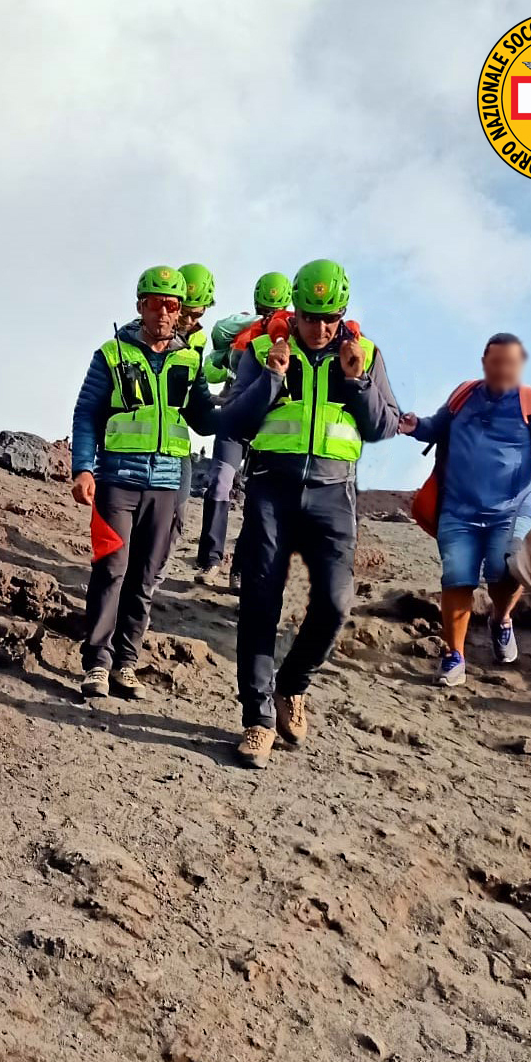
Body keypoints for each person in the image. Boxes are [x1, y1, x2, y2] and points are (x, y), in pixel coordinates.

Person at [219, 258, 400, 768]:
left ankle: (291, 686)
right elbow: (231, 421)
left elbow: (383, 426)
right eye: (309, 316)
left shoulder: (365, 353)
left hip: (334, 494)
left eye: (330, 317)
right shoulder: (260, 349)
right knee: (259, 602)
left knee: (337, 605)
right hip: (270, 489)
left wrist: (357, 382)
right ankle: (256, 721)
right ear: (293, 310)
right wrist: (271, 379)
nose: (319, 329)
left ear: (343, 311)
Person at [71, 266, 217, 698]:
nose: (164, 313)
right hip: (116, 481)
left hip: (166, 485)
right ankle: (97, 663)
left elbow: (206, 420)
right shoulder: (112, 355)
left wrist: (261, 384)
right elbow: (86, 414)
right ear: (140, 305)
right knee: (111, 570)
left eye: (172, 305)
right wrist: (83, 467)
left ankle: (125, 664)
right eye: (156, 303)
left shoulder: (189, 361)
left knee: (145, 578)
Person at [399, 334, 531, 686]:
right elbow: (437, 425)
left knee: (503, 571)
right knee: (456, 578)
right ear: (485, 361)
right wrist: (417, 426)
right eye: (496, 362)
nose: (503, 369)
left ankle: (501, 619)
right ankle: (454, 656)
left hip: (511, 510)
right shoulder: (465, 395)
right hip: (458, 508)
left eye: (510, 363)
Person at [195, 272, 296, 586]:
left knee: (244, 492)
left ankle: (233, 568)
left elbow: (216, 348)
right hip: (241, 421)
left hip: (260, 424)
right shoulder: (248, 331)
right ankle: (214, 562)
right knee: (225, 484)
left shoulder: (284, 332)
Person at [166, 263, 218, 556]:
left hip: (175, 445)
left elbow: (197, 408)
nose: (186, 320)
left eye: (196, 314)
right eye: (181, 310)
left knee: (175, 522)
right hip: (131, 453)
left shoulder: (198, 340)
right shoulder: (135, 337)